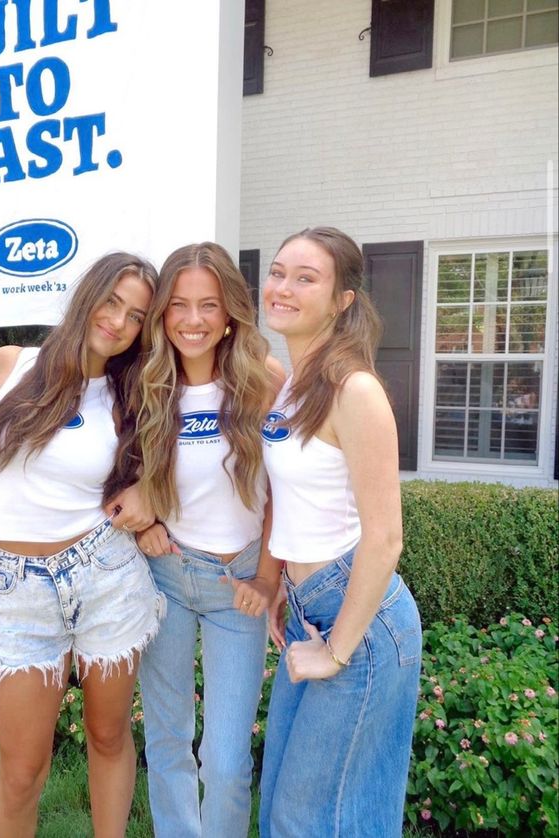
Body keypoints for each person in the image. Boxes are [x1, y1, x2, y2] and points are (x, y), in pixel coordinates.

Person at [0, 252, 165, 838]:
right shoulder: (10, 364)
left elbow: (168, 466)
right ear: (87, 293)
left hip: (104, 576)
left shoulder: (132, 392)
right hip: (18, 589)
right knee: (20, 771)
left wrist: (149, 494)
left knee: (108, 736)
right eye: (112, 301)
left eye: (137, 316)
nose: (118, 322)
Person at [258, 227, 422, 838]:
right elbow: (298, 500)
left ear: (343, 299)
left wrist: (337, 649)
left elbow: (385, 538)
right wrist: (282, 586)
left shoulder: (356, 390)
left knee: (310, 818)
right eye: (278, 272)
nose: (283, 287)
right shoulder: (295, 385)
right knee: (284, 799)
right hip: (308, 606)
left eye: (306, 278)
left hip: (360, 622)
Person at [129, 242, 284, 838]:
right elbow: (113, 471)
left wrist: (267, 578)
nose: (193, 320)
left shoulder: (264, 380)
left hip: (237, 584)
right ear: (163, 312)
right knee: (168, 740)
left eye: (208, 306)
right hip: (166, 576)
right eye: (179, 305)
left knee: (223, 760)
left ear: (230, 314)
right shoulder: (147, 385)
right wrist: (144, 524)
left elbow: (286, 491)